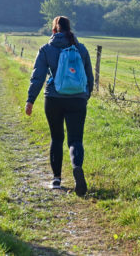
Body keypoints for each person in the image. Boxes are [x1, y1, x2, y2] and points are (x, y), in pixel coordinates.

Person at [25, 16, 94, 196]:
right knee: (75, 140)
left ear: (54, 30)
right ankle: (76, 166)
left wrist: (30, 99)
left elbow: (38, 76)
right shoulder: (81, 49)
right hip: (78, 99)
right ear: (70, 29)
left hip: (54, 98)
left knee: (57, 138)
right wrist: (85, 96)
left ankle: (56, 179)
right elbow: (89, 77)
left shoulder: (46, 49)